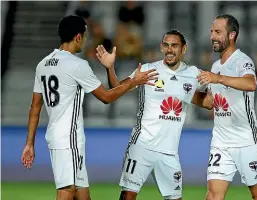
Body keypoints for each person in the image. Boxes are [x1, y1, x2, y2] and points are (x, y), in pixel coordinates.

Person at [20, 15, 157, 200]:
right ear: (78, 37)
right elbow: (107, 97)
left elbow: (35, 107)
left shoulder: (43, 64)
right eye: (85, 36)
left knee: (82, 195)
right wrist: (134, 81)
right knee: (66, 192)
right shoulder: (77, 65)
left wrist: (29, 143)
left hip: (57, 137)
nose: (86, 41)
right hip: (69, 140)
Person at [96, 29, 213, 200]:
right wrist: (110, 68)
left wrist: (214, 81)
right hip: (142, 145)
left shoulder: (192, 74)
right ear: (161, 47)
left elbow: (208, 103)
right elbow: (117, 88)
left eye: (174, 46)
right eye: (166, 45)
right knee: (128, 195)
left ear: (184, 49)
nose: (170, 50)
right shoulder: (148, 69)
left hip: (169, 152)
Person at [198, 14, 257, 200]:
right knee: (213, 196)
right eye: (211, 32)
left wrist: (219, 78)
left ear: (231, 35)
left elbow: (251, 84)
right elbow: (209, 102)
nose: (212, 36)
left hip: (247, 141)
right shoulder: (215, 66)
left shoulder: (242, 61)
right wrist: (183, 93)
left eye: (217, 32)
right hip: (221, 142)